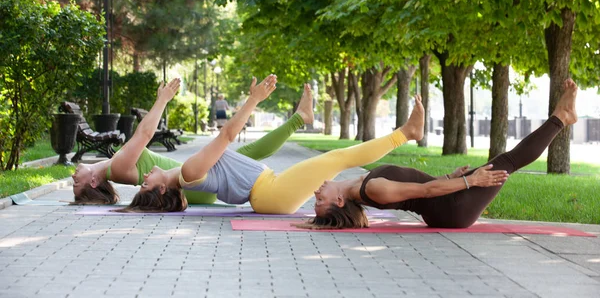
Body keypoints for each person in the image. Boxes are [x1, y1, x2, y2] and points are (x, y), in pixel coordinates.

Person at [124, 77, 427, 214]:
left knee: (341, 165)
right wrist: (254, 99)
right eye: (144, 186)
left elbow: (232, 145)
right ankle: (406, 133)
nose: (143, 179)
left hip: (270, 190)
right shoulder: (189, 172)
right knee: (339, 157)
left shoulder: (186, 174)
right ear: (161, 189)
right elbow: (227, 136)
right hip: (270, 193)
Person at [306, 79, 579, 229]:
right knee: (508, 161)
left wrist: (450, 176)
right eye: (321, 201)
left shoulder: (360, 184)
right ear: (340, 201)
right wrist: (472, 181)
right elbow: (424, 193)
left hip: (448, 200)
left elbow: (419, 186)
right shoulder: (373, 188)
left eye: (315, 200)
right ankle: (562, 118)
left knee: (506, 161)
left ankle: (562, 117)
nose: (316, 195)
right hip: (452, 210)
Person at [71, 74, 313, 206]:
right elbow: (144, 135)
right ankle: (300, 118)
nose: (73, 178)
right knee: (244, 150)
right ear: (93, 182)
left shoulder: (116, 167)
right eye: (76, 184)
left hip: (191, 180)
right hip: (193, 183)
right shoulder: (119, 168)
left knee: (248, 152)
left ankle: (300, 117)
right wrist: (163, 100)